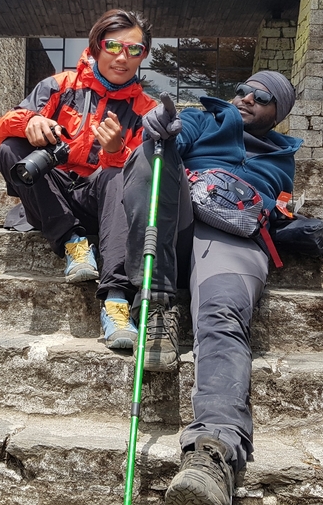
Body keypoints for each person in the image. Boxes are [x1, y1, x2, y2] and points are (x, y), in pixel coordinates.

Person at [124, 71, 302, 505]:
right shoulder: (203, 120)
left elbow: (276, 208)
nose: (245, 99)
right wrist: (159, 132)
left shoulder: (283, 157)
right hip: (178, 221)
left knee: (222, 315)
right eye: (242, 89)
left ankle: (213, 453)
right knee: (154, 156)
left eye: (261, 98)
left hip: (234, 237)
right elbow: (171, 140)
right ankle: (159, 303)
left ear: (279, 112)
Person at [0, 9, 156, 349]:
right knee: (11, 149)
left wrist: (114, 151)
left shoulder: (147, 110)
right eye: (113, 46)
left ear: (144, 55)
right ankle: (72, 243)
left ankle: (116, 300)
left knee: (114, 173)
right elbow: (1, 128)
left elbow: (147, 176)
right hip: (51, 195)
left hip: (104, 203)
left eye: (134, 50)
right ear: (97, 46)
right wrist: (30, 124)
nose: (123, 57)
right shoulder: (60, 85)